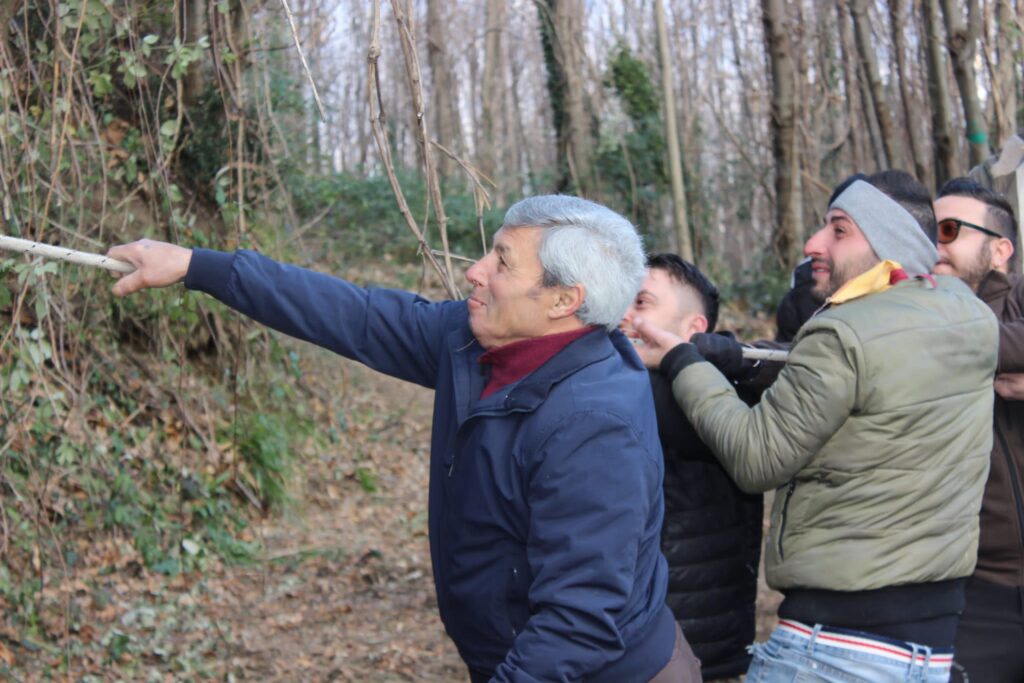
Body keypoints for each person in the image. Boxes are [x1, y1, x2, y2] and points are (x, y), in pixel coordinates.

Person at [107, 196, 700, 682]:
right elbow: (355, 315)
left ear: (564, 300)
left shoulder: (595, 424)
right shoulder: (477, 341)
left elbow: (577, 622)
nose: (475, 271)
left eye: (502, 262)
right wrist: (197, 266)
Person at [631, 170, 998, 682]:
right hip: (927, 646)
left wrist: (680, 360)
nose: (813, 243)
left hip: (833, 647)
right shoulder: (968, 316)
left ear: (887, 243)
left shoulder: (842, 330)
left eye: (838, 229)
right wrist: (740, 360)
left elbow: (756, 457)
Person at [620, 254, 762, 682]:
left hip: (691, 652)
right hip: (646, 643)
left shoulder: (707, 399)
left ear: (693, 331)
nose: (624, 315)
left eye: (642, 303)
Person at [934, 177, 1024, 682]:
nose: (935, 245)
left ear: (999, 250)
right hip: (972, 594)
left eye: (948, 230)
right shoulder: (911, 317)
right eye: (929, 232)